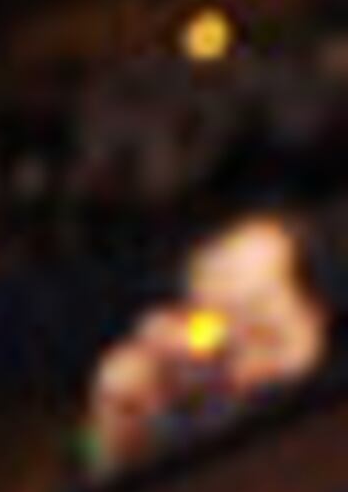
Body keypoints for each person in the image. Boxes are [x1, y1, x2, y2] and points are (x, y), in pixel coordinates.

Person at [83, 197, 329, 474]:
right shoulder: (194, 425)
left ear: (318, 312)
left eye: (264, 336)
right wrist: (113, 427)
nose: (246, 373)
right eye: (222, 345)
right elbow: (88, 456)